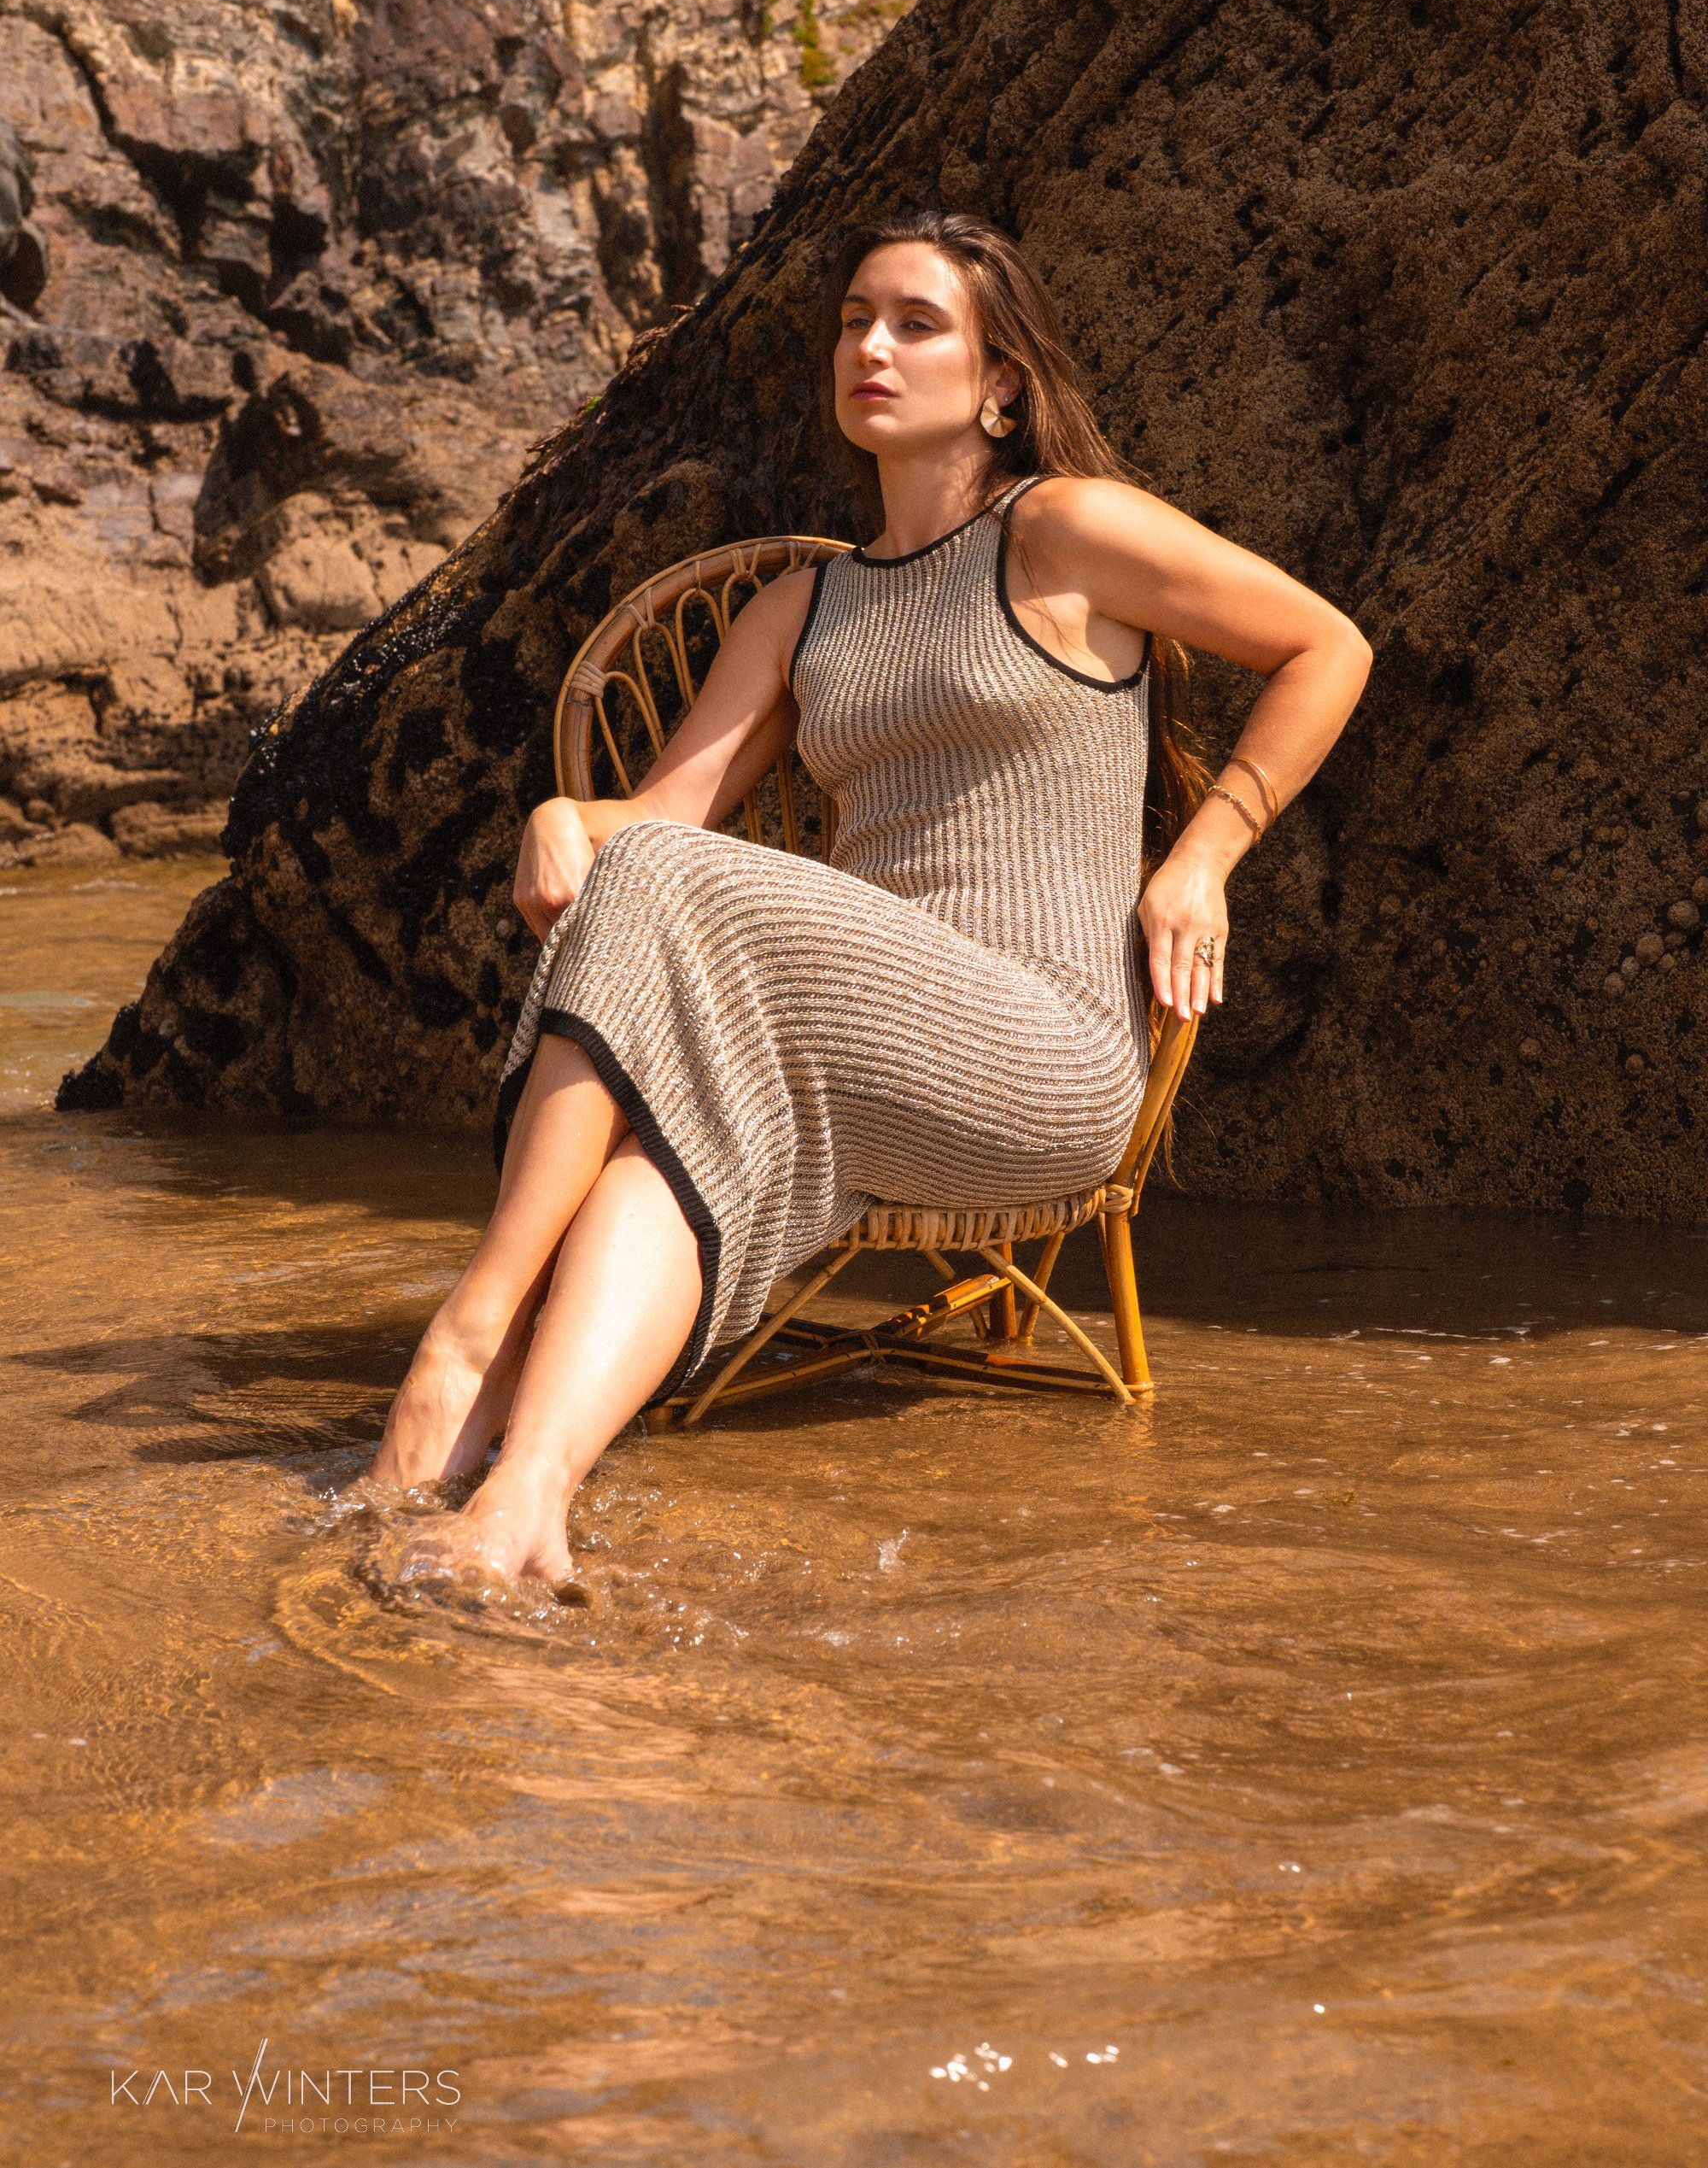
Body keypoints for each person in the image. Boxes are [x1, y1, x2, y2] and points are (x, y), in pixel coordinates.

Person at [363, 208, 1371, 1597]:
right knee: (668, 1152)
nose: (871, 348)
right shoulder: (805, 605)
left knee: (660, 905)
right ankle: (525, 1503)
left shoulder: (1063, 532)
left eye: (915, 323)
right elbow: (658, 824)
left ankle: (469, 1336)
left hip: (1043, 1053)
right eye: (851, 321)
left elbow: (1330, 643)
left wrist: (1205, 850)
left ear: (1002, 381)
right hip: (849, 1067)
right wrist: (555, 811)